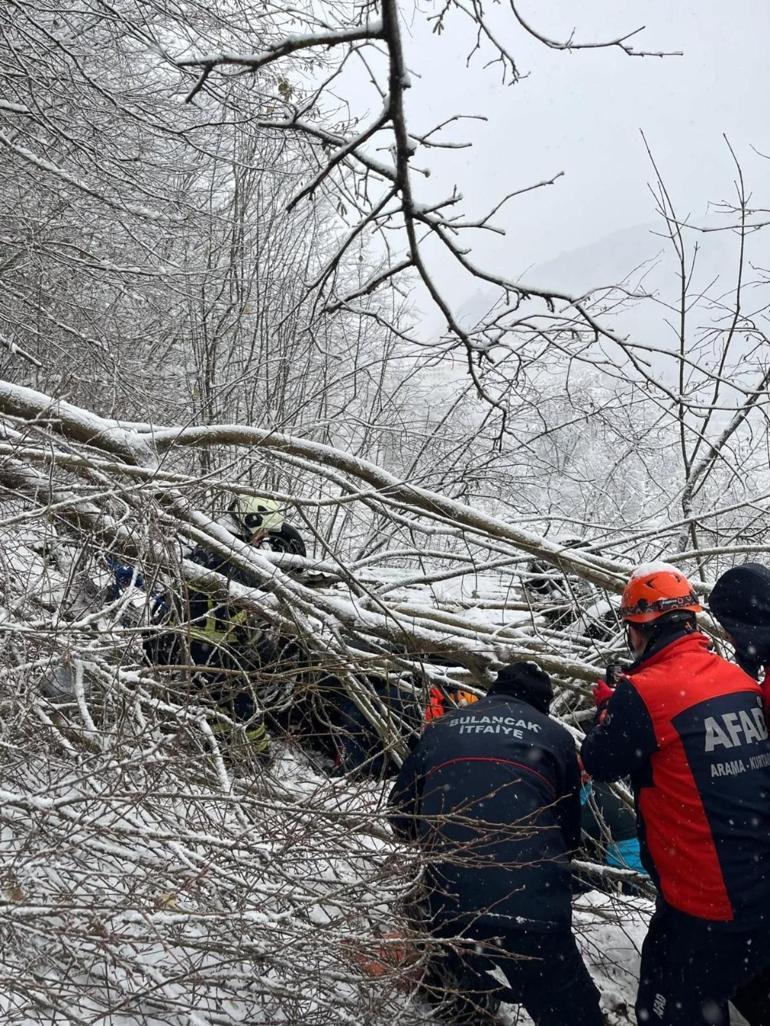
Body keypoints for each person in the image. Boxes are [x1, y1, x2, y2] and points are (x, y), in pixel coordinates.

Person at [581, 563, 770, 1026]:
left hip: (700, 912)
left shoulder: (643, 693)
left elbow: (600, 761)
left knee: (666, 1012)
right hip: (761, 894)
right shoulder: (743, 683)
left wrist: (612, 708)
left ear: (640, 629)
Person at [388, 661, 603, 1026]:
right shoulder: (554, 736)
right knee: (572, 1013)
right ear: (543, 704)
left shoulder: (441, 728)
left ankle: (467, 1005)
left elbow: (400, 812)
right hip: (530, 902)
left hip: (447, 900)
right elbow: (568, 834)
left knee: (455, 998)